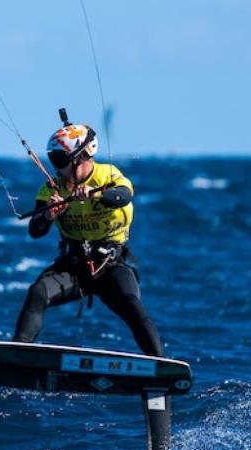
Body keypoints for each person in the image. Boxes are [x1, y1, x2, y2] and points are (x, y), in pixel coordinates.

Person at [12, 118, 165, 357]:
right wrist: (49, 216)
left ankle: (160, 364)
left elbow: (124, 195)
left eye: (60, 160)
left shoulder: (109, 175)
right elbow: (35, 231)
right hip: (74, 267)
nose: (56, 167)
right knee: (38, 292)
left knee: (132, 305)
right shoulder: (51, 190)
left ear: (81, 157)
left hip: (111, 265)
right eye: (53, 159)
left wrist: (94, 196)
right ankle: (17, 355)